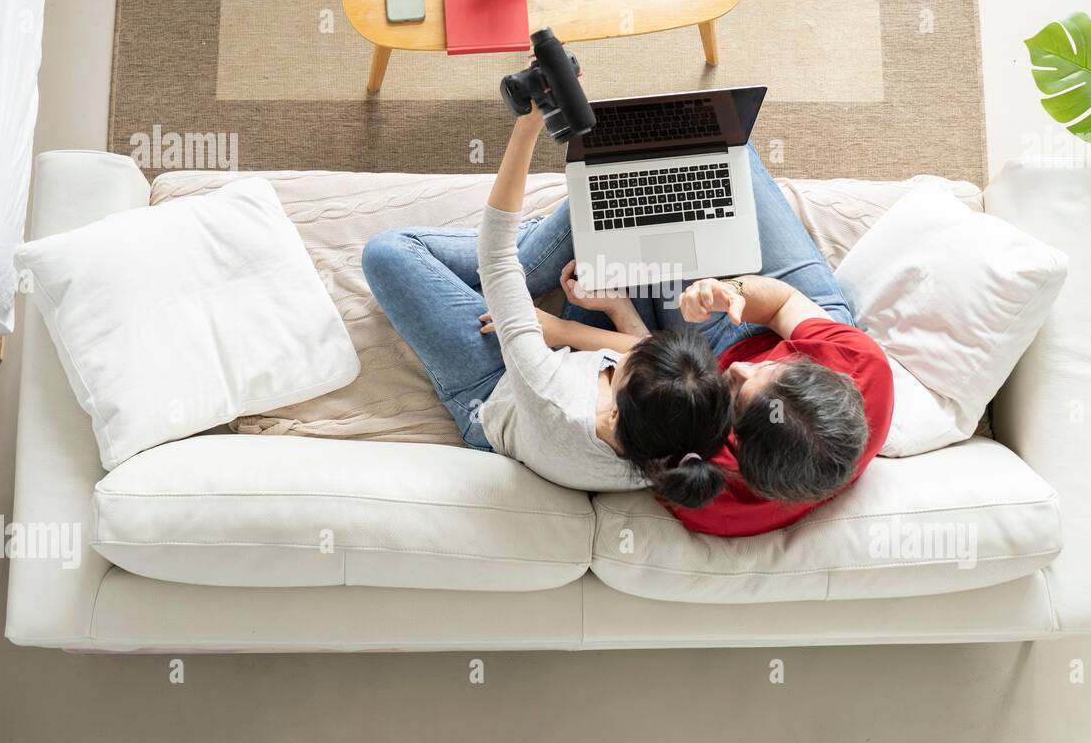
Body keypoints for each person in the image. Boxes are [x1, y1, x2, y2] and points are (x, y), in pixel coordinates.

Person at [361, 108, 733, 507]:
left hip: (496, 388)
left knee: (388, 253)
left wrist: (528, 125)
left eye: (623, 364)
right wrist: (610, 308)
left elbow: (496, 256)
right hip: (560, 357)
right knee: (606, 195)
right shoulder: (678, 440)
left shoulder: (551, 400)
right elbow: (645, 351)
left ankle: (522, 266)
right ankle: (520, 278)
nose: (634, 350)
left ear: (613, 413)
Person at [649, 145, 895, 537]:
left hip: (703, 353)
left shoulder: (711, 497)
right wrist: (727, 291)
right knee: (723, 145)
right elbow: (782, 304)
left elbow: (639, 379)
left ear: (738, 449)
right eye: (767, 369)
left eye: (738, 395)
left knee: (656, 187)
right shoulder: (861, 365)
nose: (739, 368)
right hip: (796, 310)